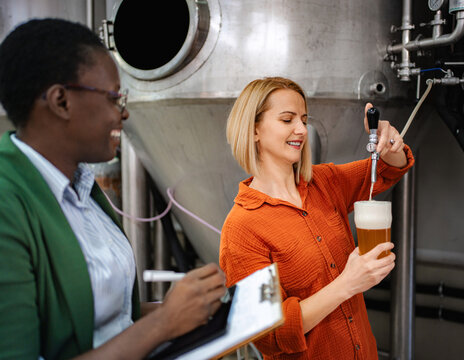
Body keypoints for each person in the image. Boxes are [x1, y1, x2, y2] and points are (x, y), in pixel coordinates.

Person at [0, 18, 226, 360]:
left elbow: (110, 321)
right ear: (61, 101)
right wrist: (163, 324)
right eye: (114, 97)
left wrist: (195, 307)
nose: (123, 114)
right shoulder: (7, 203)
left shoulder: (81, 187)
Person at [219, 77, 414, 359]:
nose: (301, 129)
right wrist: (347, 284)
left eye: (303, 119)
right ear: (254, 130)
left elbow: (388, 169)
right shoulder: (242, 228)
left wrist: (390, 144)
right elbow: (267, 334)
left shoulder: (325, 182)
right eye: (287, 120)